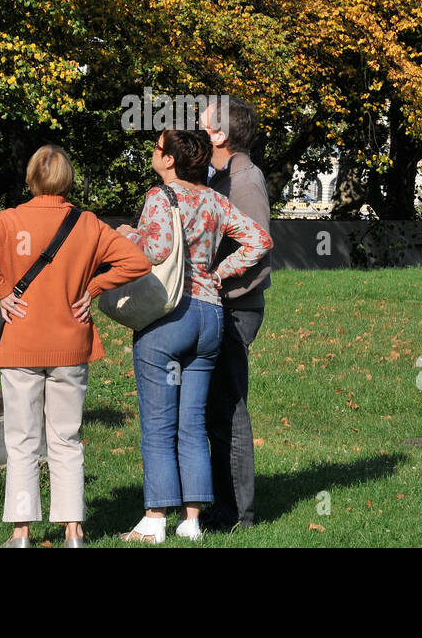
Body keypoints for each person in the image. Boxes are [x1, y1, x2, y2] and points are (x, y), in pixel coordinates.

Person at [0, 145, 150, 548]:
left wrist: (2, 289)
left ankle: (21, 534)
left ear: (30, 179)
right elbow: (137, 262)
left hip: (22, 343)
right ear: (69, 180)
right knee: (67, 439)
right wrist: (93, 288)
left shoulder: (10, 220)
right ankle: (74, 532)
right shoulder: (88, 224)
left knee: (23, 440)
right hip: (70, 345)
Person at [117, 129, 272, 543]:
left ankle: (153, 521)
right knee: (191, 424)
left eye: (156, 147)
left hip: (170, 317)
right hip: (210, 317)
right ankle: (192, 520)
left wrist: (126, 235)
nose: (153, 152)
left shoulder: (159, 196)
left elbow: (153, 251)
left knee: (158, 424)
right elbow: (259, 239)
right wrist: (219, 273)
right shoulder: (215, 199)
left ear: (169, 160)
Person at [200, 96, 272, 530]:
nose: (193, 130)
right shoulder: (224, 176)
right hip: (226, 304)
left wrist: (215, 278)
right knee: (217, 409)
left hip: (235, 308)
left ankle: (236, 515)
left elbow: (258, 245)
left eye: (200, 123)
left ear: (221, 134)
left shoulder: (245, 180)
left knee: (229, 409)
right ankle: (223, 506)